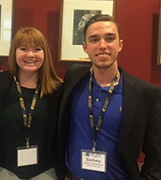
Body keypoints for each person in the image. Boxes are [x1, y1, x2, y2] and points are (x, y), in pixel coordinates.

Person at [59, 14, 161, 180]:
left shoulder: (145, 94)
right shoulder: (73, 77)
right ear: (85, 47)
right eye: (94, 40)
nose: (102, 45)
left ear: (120, 45)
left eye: (109, 38)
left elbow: (157, 155)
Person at [0, 27, 63, 180]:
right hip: (4, 165)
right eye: (23, 49)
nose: (30, 54)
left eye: (37, 49)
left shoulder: (57, 89)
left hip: (44, 168)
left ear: (44, 53)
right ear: (14, 52)